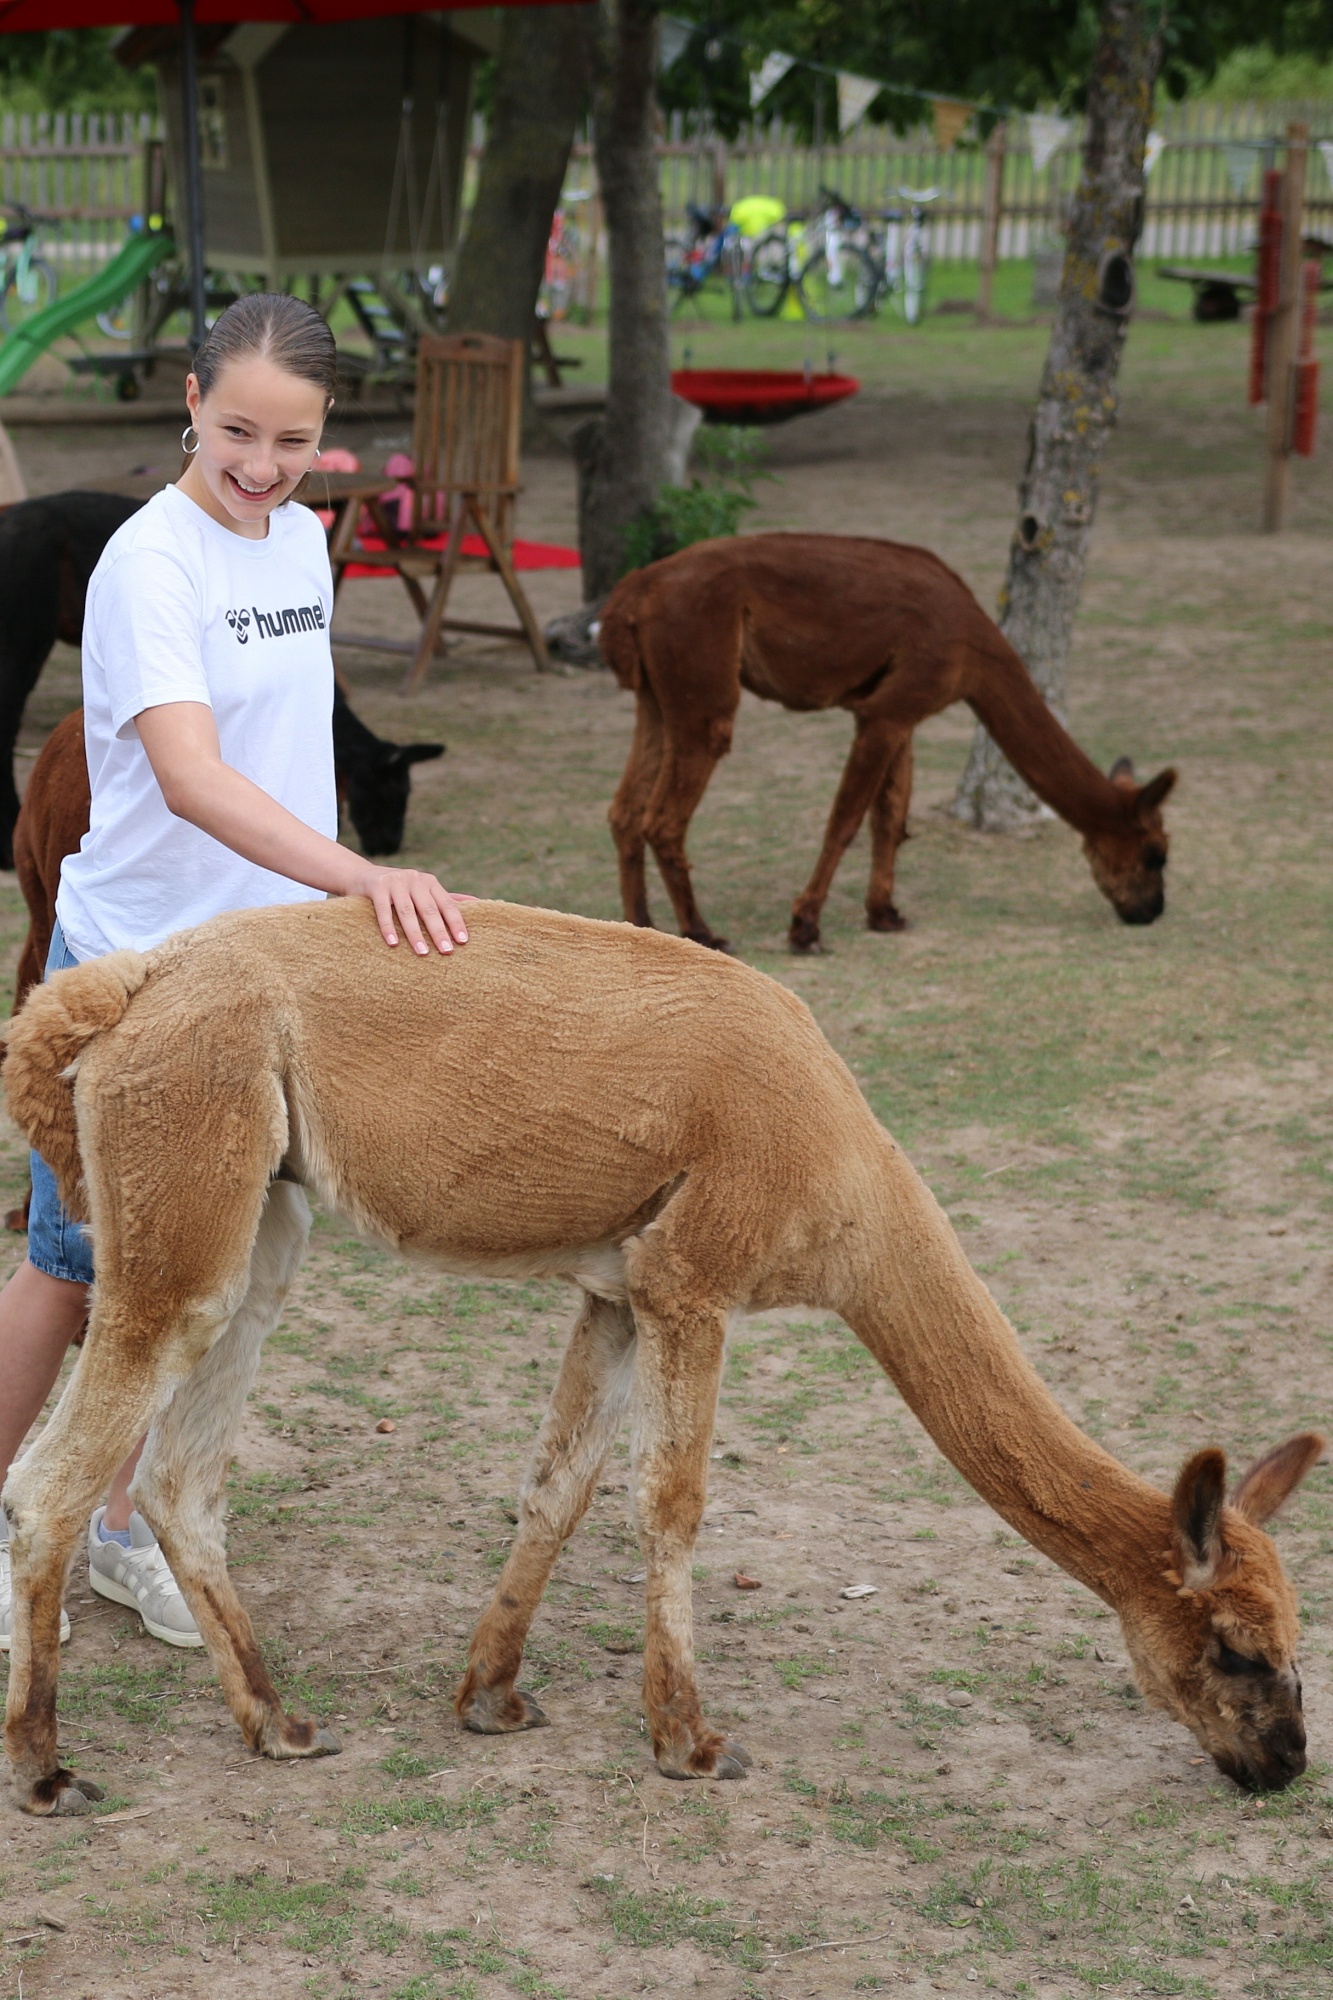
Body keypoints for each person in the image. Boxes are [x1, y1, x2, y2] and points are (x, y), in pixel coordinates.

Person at [0, 293, 469, 1651]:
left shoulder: (304, 544)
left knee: (221, 1273)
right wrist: (364, 875)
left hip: (266, 975)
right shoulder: (149, 565)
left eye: (296, 438)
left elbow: (292, 755)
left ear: (328, 441)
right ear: (190, 402)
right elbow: (194, 778)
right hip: (136, 971)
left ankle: (124, 1529)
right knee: (78, 1266)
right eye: (240, 429)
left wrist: (327, 925)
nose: (262, 461)